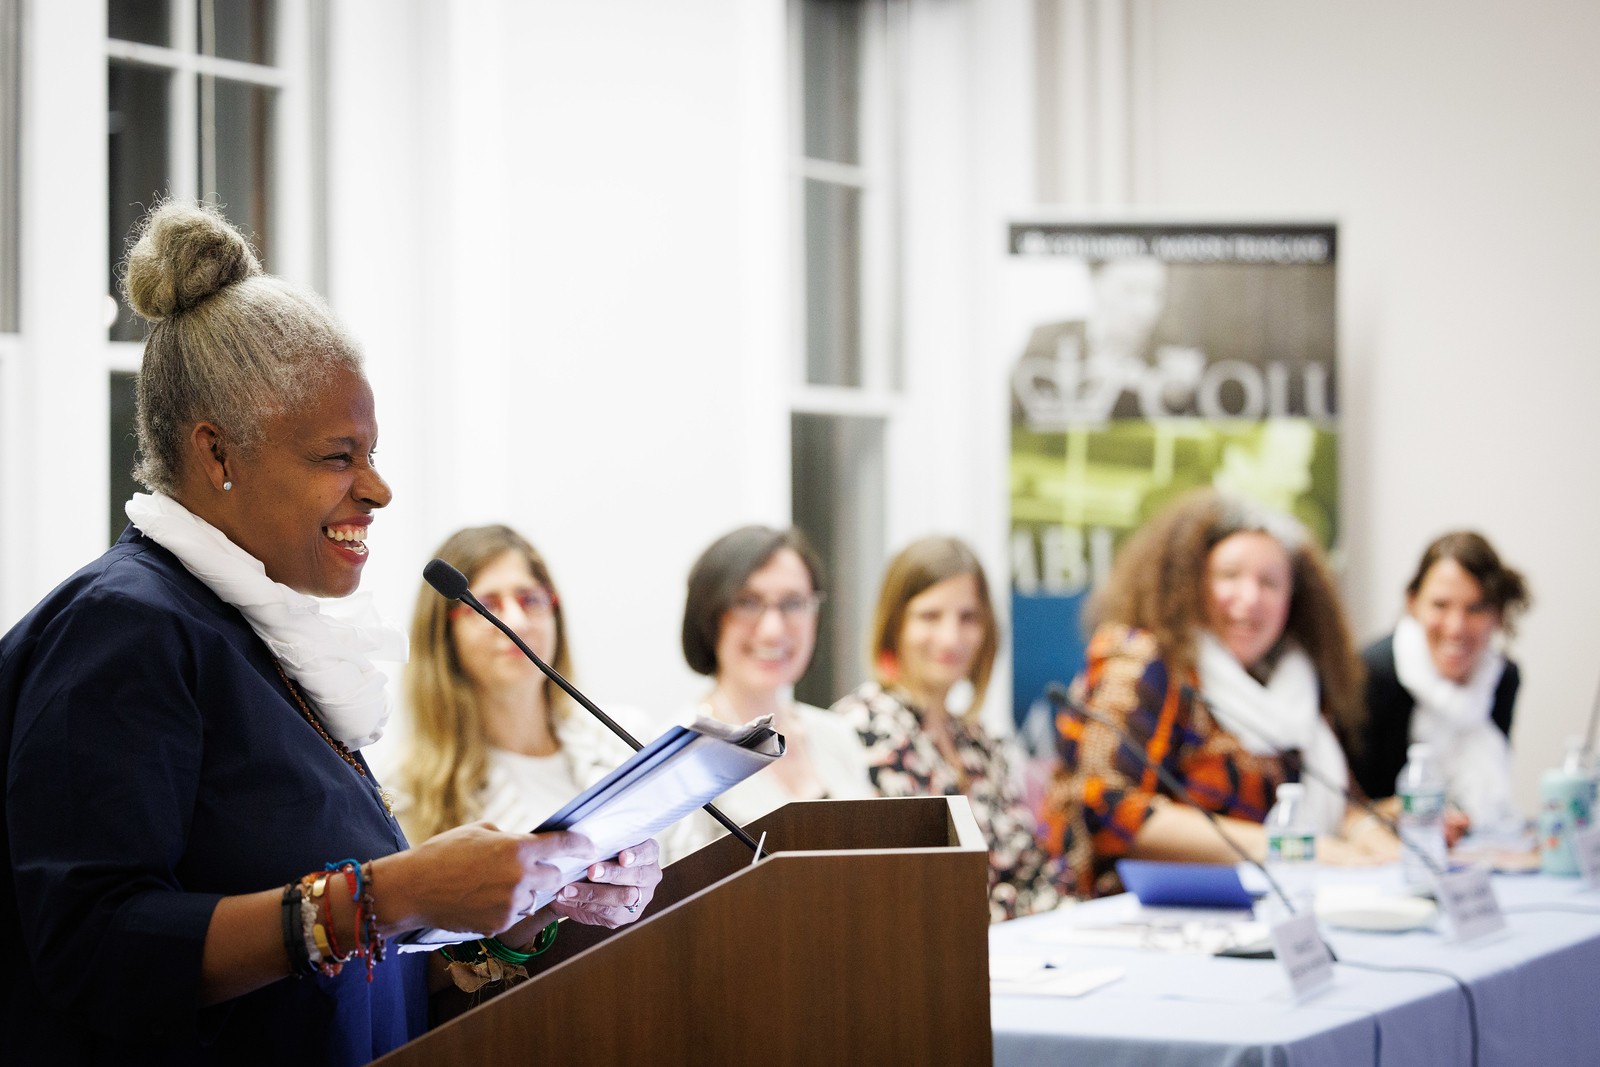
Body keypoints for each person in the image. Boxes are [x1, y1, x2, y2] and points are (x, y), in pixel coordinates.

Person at [0, 202, 660, 1065]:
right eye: (337, 456)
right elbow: (98, 949)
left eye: (373, 453)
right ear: (219, 454)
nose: (378, 489)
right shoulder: (124, 628)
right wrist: (394, 889)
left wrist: (512, 914)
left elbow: (314, 982)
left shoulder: (256, 634)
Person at [1040, 488, 1397, 898]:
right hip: (1141, 913)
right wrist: (1296, 849)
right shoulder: (1144, 659)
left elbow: (1340, 803)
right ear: (1190, 583)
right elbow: (1106, 809)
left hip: (1278, 907)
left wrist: (1378, 843)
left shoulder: (1295, 682)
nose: (1249, 599)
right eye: (1229, 576)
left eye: (1270, 583)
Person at [832, 535, 1074, 922]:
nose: (951, 638)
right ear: (894, 625)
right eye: (930, 616)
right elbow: (900, 899)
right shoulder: (858, 730)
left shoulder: (981, 743)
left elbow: (1037, 876)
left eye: (968, 618)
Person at [391, 524, 653, 847]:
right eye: (486, 604)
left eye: (530, 599)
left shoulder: (631, 739)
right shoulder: (406, 796)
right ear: (443, 637)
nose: (517, 621)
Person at [670, 525, 874, 859]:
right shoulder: (683, 751)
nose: (772, 630)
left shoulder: (837, 735)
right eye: (747, 603)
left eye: (793, 603)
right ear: (707, 616)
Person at [1353, 531, 1530, 833]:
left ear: (1497, 614)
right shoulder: (1373, 674)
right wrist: (1413, 812)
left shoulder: (1502, 678)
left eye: (1475, 608)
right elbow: (1352, 806)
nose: (1456, 627)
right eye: (1440, 605)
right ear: (1413, 603)